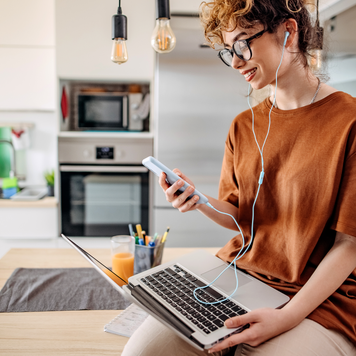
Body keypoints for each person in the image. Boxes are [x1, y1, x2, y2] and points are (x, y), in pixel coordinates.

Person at [122, 0, 356, 355]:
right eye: (228, 51)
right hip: (239, 276)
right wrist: (196, 199)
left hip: (321, 297)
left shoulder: (349, 122)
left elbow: (349, 246)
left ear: (288, 32)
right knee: (143, 352)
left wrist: (287, 316)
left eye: (244, 43)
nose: (235, 61)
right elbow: (238, 217)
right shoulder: (243, 126)